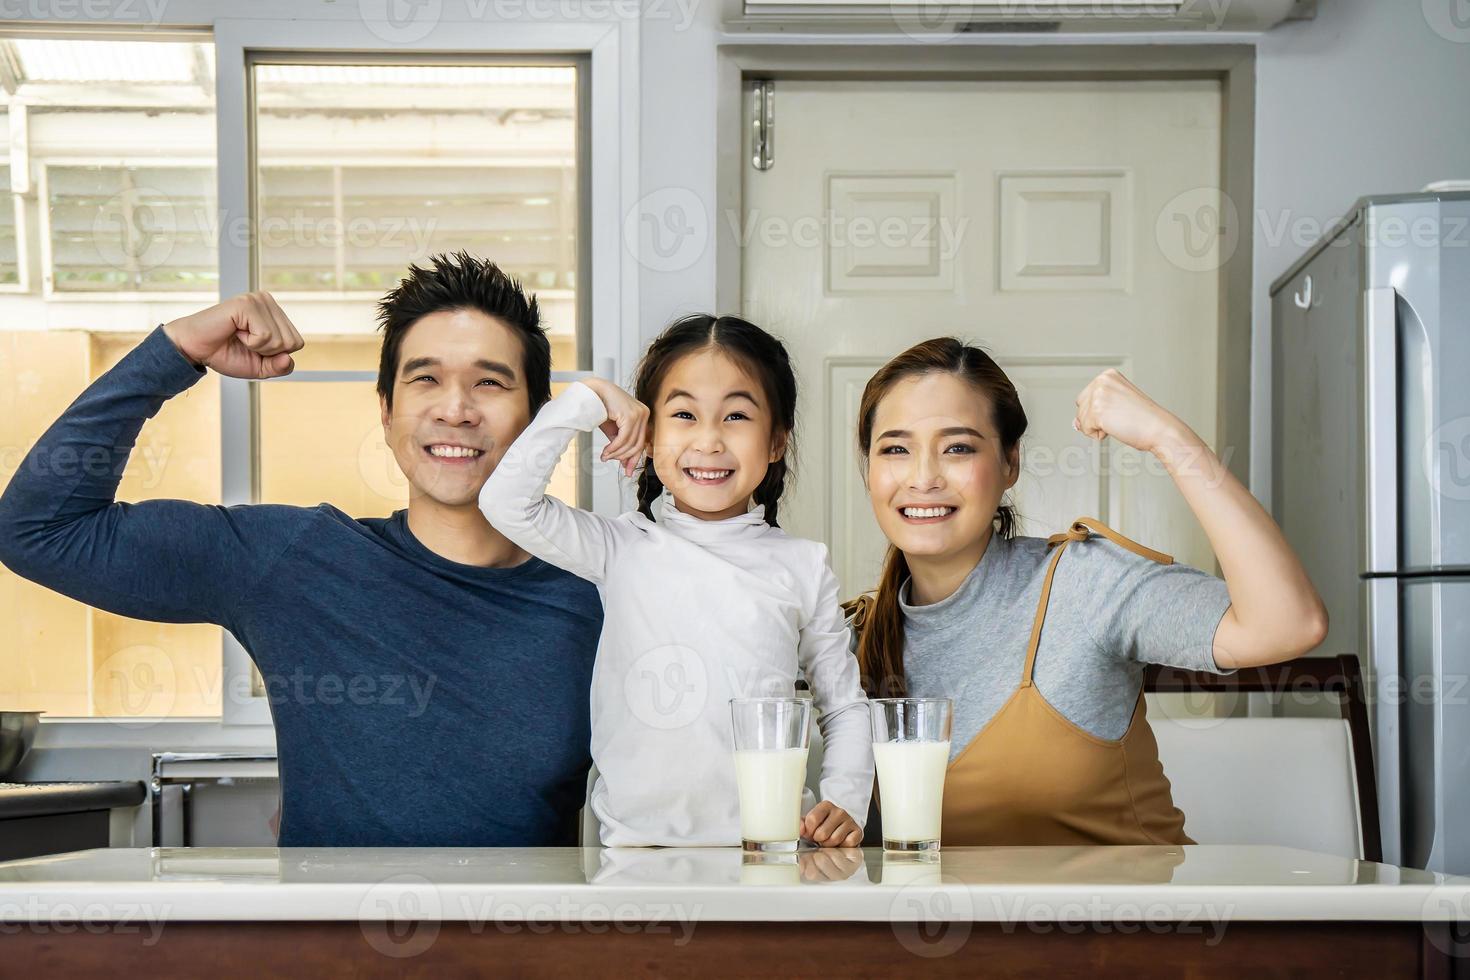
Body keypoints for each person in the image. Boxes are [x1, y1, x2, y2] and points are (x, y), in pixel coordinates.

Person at [0, 252, 603, 846]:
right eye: (425, 379)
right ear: (387, 412)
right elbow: (38, 530)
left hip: (532, 939)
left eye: (489, 382)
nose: (455, 409)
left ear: (535, 420)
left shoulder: (603, 589)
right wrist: (176, 351)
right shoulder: (293, 560)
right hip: (325, 939)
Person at [844, 338, 1328, 846]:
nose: (923, 478)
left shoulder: (1084, 583)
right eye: (896, 449)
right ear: (869, 470)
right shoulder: (850, 640)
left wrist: (1169, 439)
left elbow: (1289, 624)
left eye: (958, 448)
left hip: (1138, 923)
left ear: (1010, 464)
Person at [481, 314, 872, 847]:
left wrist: (845, 797)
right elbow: (505, 503)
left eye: (736, 415)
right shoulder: (617, 548)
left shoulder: (802, 564)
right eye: (684, 414)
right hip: (635, 860)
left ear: (777, 441)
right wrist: (587, 400)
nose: (708, 441)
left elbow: (844, 704)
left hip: (772, 854)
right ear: (648, 435)